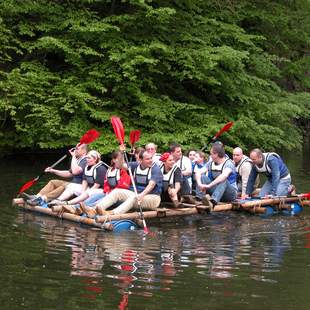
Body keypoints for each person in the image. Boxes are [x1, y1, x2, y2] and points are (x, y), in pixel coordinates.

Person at [82, 149, 163, 217]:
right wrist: (121, 154)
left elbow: (151, 185)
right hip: (137, 194)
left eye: (151, 158)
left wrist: (142, 195)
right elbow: (120, 165)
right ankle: (94, 210)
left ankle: (112, 213)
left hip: (153, 198)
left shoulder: (155, 169)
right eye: (148, 159)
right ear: (140, 160)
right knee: (117, 191)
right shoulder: (135, 165)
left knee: (135, 197)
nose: (151, 160)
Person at [196, 143, 237, 209]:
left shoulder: (229, 163)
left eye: (211, 154)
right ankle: (199, 198)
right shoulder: (211, 163)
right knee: (202, 177)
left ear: (216, 154)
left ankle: (213, 201)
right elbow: (198, 172)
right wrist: (199, 184)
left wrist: (209, 185)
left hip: (230, 194)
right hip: (217, 190)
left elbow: (224, 176)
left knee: (223, 180)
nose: (210, 156)